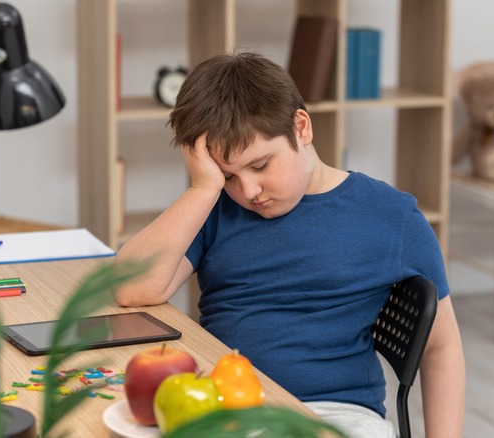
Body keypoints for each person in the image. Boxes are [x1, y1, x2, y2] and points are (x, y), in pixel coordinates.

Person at [113, 52, 465, 438]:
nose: (248, 191)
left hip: (332, 414)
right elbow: (133, 288)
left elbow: (441, 350)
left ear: (301, 127)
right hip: (228, 403)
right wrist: (204, 189)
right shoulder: (215, 207)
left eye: (260, 166)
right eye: (228, 176)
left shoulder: (391, 217)